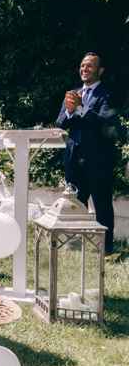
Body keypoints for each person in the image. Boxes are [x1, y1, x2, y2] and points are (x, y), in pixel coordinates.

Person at [56, 52, 122, 255]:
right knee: (76, 204)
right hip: (73, 159)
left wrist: (81, 108)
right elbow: (60, 122)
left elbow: (107, 124)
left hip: (98, 160)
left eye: (90, 66)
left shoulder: (107, 94)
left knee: (102, 205)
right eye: (82, 66)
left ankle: (106, 248)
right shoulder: (73, 93)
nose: (84, 69)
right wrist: (68, 111)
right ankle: (77, 244)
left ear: (100, 71)